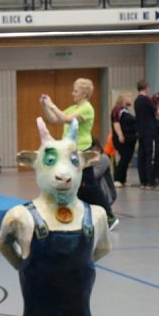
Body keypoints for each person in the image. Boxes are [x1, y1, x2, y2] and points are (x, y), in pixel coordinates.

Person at [40, 78, 118, 229]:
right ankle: (78, 216)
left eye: (75, 91)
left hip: (82, 152)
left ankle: (109, 216)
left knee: (89, 186)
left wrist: (52, 105)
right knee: (76, 186)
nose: (72, 93)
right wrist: (45, 106)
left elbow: (67, 119)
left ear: (83, 93)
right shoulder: (73, 107)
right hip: (70, 152)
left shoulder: (87, 109)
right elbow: (54, 119)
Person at [134, 80, 159, 190]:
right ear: (146, 88)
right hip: (150, 132)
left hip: (141, 132)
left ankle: (143, 181)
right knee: (151, 156)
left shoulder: (136, 101)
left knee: (142, 156)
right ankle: (151, 182)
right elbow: (157, 112)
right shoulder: (146, 100)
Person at [111, 92, 137, 188]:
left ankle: (123, 179)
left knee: (127, 159)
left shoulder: (126, 110)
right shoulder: (117, 109)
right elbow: (116, 123)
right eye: (129, 97)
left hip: (130, 138)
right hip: (122, 139)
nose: (131, 99)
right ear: (124, 99)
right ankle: (117, 178)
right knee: (124, 158)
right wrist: (120, 135)